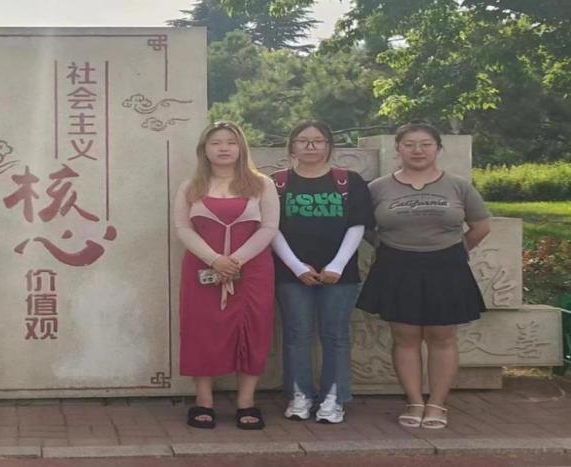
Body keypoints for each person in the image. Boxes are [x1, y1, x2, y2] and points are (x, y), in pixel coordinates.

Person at [356, 122, 491, 430]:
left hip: (446, 267)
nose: (418, 150)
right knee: (405, 337)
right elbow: (364, 228)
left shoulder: (458, 186)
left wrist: (457, 249)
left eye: (426, 144)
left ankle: (437, 403)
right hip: (396, 266)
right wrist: (387, 247)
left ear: (438, 149)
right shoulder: (378, 188)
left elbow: (481, 226)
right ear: (398, 149)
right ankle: (415, 400)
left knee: (442, 336)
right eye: (410, 144)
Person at [174, 120, 279, 430]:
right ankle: (203, 400)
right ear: (204, 149)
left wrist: (235, 261)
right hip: (202, 269)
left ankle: (246, 401)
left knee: (253, 330)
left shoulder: (262, 184)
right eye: (216, 143)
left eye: (231, 142)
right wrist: (214, 260)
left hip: (253, 270)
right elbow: (183, 228)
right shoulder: (191, 186)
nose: (224, 148)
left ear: (241, 147)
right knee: (201, 330)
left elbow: (269, 228)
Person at [270, 120, 374, 424]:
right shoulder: (276, 183)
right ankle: (299, 395)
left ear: (329, 146)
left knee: (335, 335)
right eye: (303, 140)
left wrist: (337, 265)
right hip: (291, 275)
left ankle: (333, 398)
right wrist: (295, 266)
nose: (310, 146)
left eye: (318, 140)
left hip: (340, 276)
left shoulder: (349, 182)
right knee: (296, 335)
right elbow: (270, 228)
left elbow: (358, 225)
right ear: (292, 146)